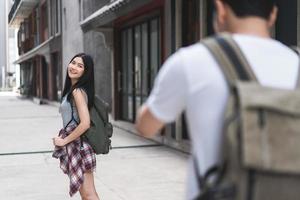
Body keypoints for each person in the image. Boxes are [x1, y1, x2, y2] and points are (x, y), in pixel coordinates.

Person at [135, 0, 299, 199]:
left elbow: (146, 127)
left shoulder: (191, 61)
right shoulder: (295, 61)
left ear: (220, 9)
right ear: (273, 14)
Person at [52, 53, 100, 200]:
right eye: (73, 63)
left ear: (85, 72)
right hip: (76, 145)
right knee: (85, 194)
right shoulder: (72, 90)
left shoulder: (77, 91)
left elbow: (85, 123)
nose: (74, 67)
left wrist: (64, 141)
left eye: (80, 66)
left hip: (79, 146)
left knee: (88, 193)